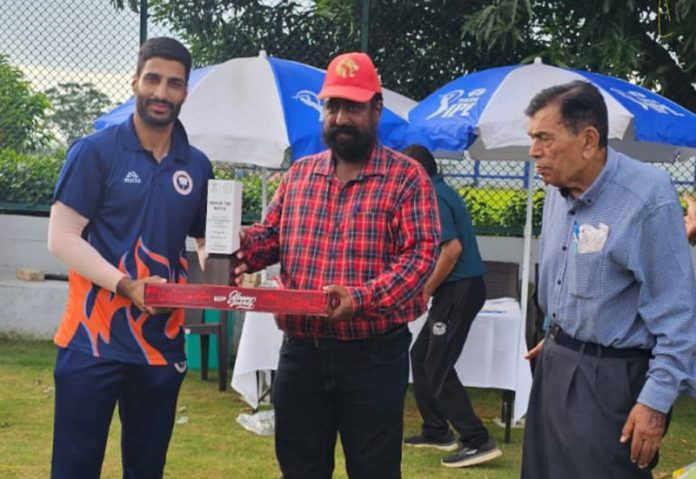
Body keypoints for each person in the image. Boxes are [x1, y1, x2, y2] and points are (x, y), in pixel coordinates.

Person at [231, 52, 440, 479]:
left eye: (353, 107)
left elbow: (419, 257)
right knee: (301, 467)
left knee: (374, 469)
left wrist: (359, 299)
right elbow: (271, 238)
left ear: (376, 109)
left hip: (373, 357)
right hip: (301, 354)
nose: (341, 117)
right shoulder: (301, 175)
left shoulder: (406, 178)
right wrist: (231, 245)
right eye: (333, 106)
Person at [47, 37, 213, 478]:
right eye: (153, 79)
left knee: (146, 469)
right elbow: (61, 238)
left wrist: (227, 266)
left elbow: (204, 240)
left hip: (161, 343)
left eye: (174, 84)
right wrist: (124, 284)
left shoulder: (196, 165)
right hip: (91, 341)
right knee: (75, 468)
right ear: (136, 81)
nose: (162, 93)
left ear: (185, 92)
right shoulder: (95, 151)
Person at [521, 80, 696, 479]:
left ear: (588, 140)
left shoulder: (647, 198)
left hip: (612, 382)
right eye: (532, 138)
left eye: (544, 138)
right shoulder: (556, 191)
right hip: (556, 363)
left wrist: (653, 404)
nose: (534, 151)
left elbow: (679, 316)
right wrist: (564, 331)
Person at [400, 144, 501, 468]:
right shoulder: (437, 191)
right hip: (456, 290)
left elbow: (452, 249)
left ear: (416, 171)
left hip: (460, 290)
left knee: (438, 365)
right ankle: (436, 430)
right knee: (421, 356)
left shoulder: (432, 196)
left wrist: (424, 291)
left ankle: (477, 440)